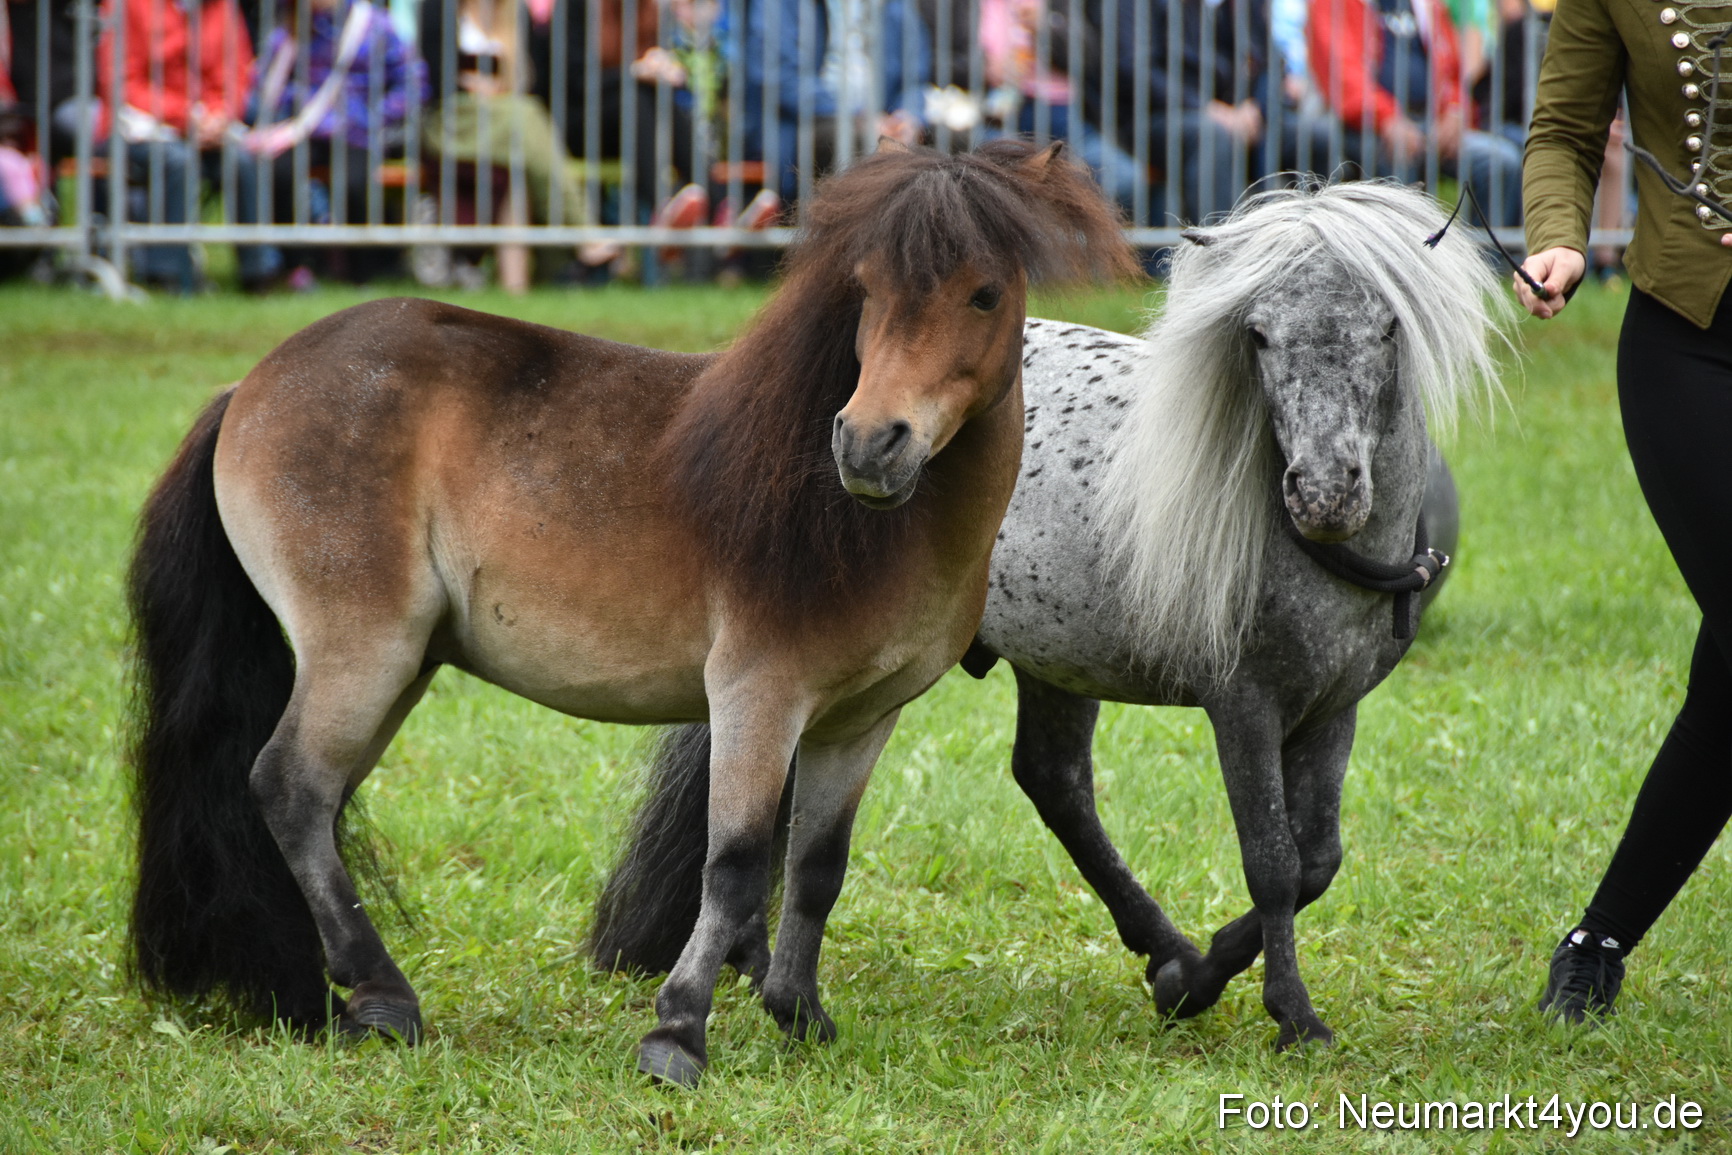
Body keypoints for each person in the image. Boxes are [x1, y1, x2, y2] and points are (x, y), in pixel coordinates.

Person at [1519, 0, 1732, 1022]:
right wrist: (1558, 239)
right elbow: (1562, 132)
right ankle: (1597, 940)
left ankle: (1597, 941)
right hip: (1686, 335)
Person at [248, 0, 423, 286]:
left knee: (354, 183)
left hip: (357, 132)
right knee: (278, 173)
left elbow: (412, 80)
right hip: (303, 130)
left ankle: (360, 272)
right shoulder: (290, 25)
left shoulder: (374, 24)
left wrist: (376, 115)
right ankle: (293, 266)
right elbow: (265, 83)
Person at [1309, 0, 1523, 226]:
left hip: (1429, 125)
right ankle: (1399, 255)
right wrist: (1387, 118)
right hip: (1366, 127)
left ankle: (1478, 260)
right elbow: (1343, 76)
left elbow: (1453, 70)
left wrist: (1455, 111)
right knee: (1398, 158)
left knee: (1500, 163)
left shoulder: (1427, 5)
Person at [95, 0, 262, 291]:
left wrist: (219, 114)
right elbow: (122, 81)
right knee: (177, 161)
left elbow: (236, 74)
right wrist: (184, 115)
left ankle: (258, 273)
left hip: (206, 125)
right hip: (137, 126)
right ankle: (167, 274)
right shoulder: (127, 5)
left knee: (243, 160)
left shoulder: (222, 7)